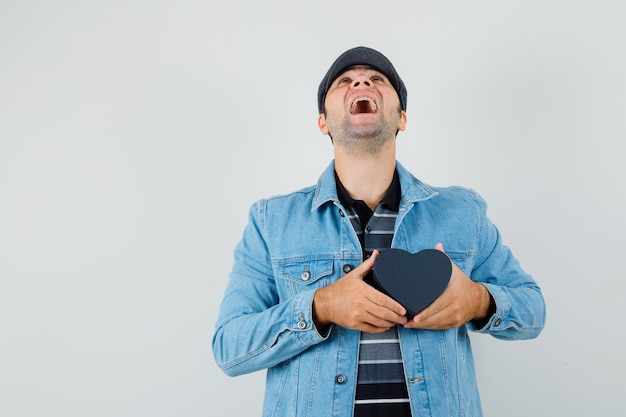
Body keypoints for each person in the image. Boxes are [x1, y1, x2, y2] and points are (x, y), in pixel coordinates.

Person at [212, 46, 546, 417]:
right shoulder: (270, 221)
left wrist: (479, 301)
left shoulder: (463, 212)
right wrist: (320, 307)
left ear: (401, 117)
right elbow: (229, 348)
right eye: (345, 80)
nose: (361, 81)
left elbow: (533, 311)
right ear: (323, 121)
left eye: (377, 79)